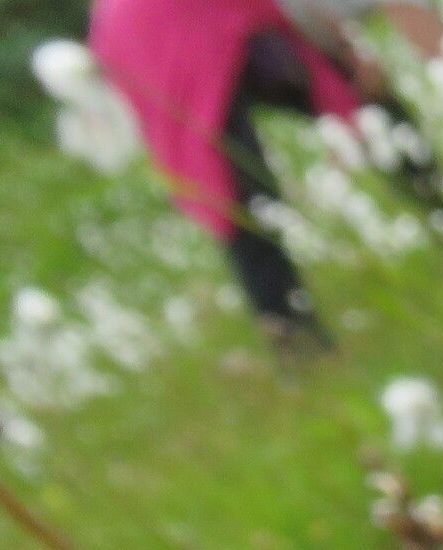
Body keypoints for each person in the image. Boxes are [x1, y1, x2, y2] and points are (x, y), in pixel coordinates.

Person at [89, 0, 367, 351]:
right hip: (165, 30)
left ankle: (292, 335)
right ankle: (293, 335)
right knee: (238, 192)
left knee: (236, 192)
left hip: (145, 31)